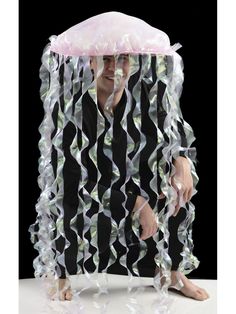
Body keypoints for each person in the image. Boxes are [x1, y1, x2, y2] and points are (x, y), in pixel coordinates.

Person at [29, 12, 209, 304]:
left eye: (122, 59)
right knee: (62, 196)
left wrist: (182, 161)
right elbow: (74, 175)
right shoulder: (72, 111)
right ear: (91, 62)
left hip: (134, 180)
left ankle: (171, 271)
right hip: (87, 190)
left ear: (133, 62)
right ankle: (59, 271)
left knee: (177, 185)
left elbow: (176, 133)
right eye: (106, 59)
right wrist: (135, 203)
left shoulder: (148, 101)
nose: (115, 68)